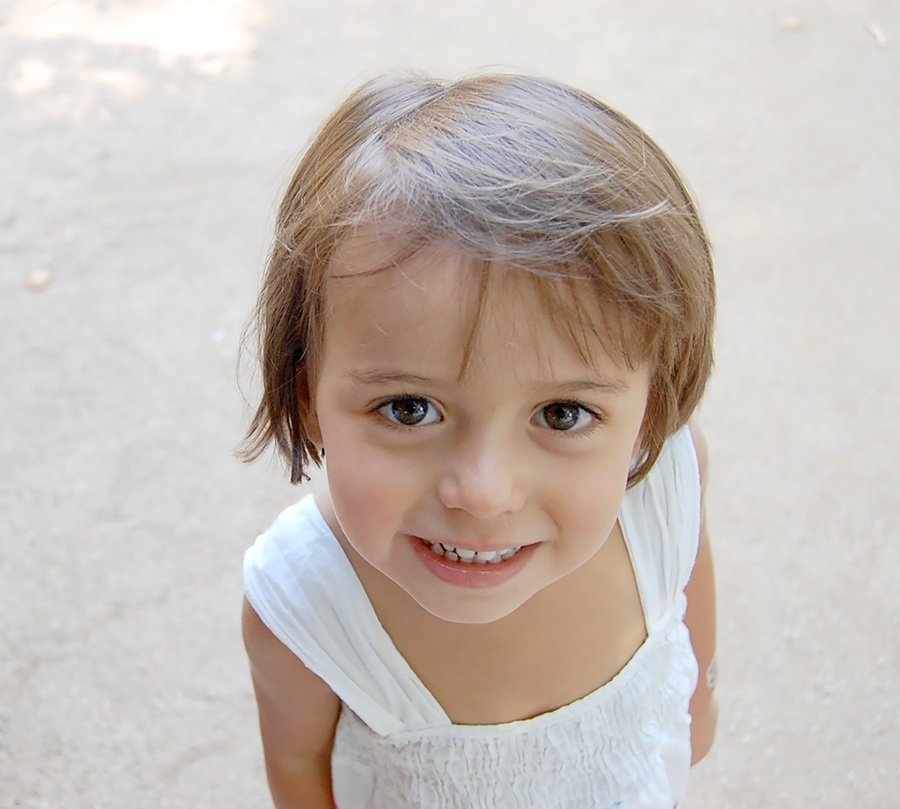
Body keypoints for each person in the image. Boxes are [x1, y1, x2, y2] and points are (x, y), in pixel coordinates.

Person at [240, 71, 718, 809]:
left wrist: (703, 698)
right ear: (308, 402)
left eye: (561, 414)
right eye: (407, 408)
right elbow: (299, 769)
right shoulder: (306, 600)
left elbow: (689, 607)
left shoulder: (663, 490)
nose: (484, 491)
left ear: (649, 415)